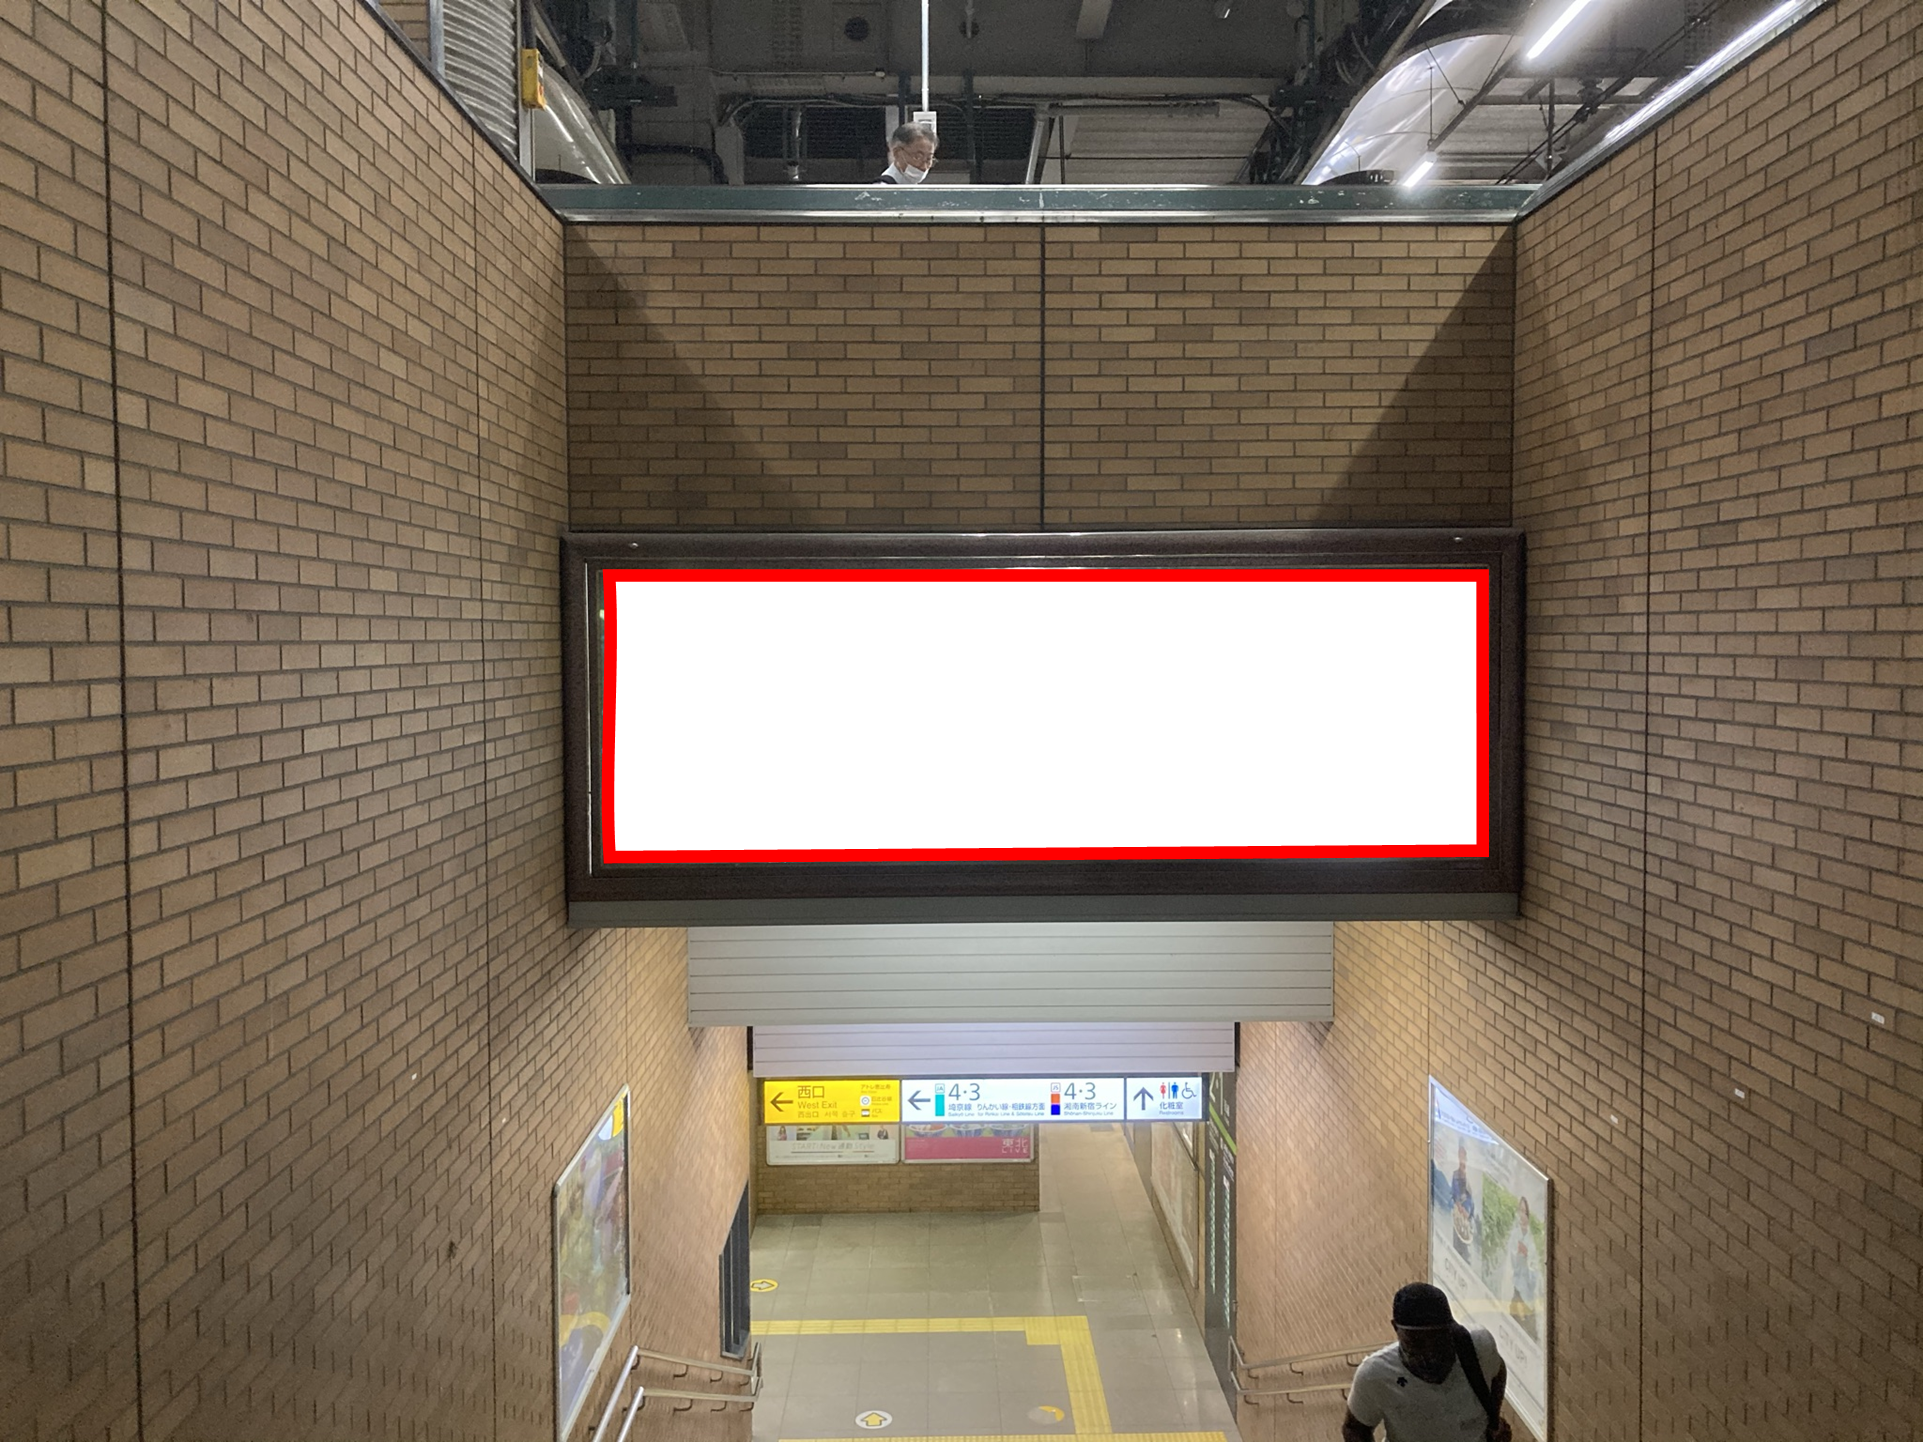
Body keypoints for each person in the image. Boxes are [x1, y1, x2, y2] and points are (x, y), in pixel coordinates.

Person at [1342, 1282, 1511, 1442]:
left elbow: (1498, 1372)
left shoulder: (1479, 1347)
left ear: (1451, 1328)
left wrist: (1493, 1419)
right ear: (1395, 1328)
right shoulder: (1375, 1374)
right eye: (1416, 1342)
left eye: (1438, 1340)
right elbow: (1354, 1429)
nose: (1429, 1352)